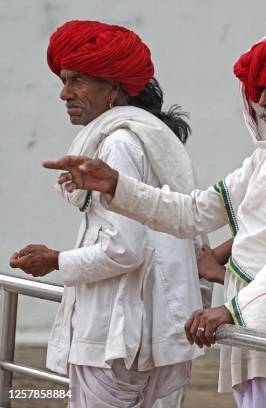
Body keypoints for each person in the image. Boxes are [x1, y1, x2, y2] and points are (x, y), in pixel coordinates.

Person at [44, 31, 266, 408]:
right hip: (259, 339)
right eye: (259, 91)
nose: (263, 103)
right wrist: (119, 186)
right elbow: (194, 212)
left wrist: (235, 310)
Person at [9, 20, 204, 407]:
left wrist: (55, 260)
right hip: (146, 334)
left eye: (78, 80)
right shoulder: (146, 136)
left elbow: (123, 249)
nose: (65, 93)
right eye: (64, 80)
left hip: (116, 341)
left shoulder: (119, 145)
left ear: (114, 88)